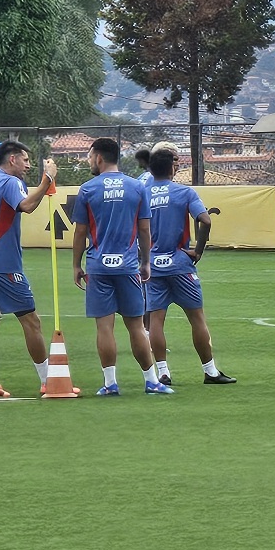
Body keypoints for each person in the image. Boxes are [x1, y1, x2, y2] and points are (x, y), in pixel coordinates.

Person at [71, 137, 168, 395]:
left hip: (98, 267)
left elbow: (80, 232)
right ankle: (151, 381)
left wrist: (76, 265)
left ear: (99, 158)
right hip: (127, 267)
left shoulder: (88, 189)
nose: (89, 161)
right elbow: (145, 229)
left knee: (105, 326)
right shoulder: (137, 187)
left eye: (90, 156)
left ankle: (110, 384)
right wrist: (145, 262)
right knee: (136, 326)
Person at [0, 141, 59, 397]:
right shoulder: (10, 182)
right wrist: (47, 179)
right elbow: (27, 206)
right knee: (31, 321)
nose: (28, 165)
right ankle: (47, 381)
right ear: (12, 160)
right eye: (26, 160)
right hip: (2, 264)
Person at [144, 148, 235, 386]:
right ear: (173, 168)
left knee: (155, 320)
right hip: (181, 265)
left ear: (151, 169)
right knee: (197, 319)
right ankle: (211, 371)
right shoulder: (184, 192)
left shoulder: (142, 193)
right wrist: (199, 250)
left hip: (153, 266)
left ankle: (163, 372)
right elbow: (205, 220)